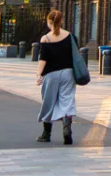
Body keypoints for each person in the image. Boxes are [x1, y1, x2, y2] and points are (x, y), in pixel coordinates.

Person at [34, 8, 77, 145]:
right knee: (67, 101)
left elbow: (43, 59)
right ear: (61, 21)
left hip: (51, 74)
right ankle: (67, 127)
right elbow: (75, 57)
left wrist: (38, 74)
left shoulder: (45, 38)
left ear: (49, 22)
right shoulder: (70, 36)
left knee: (49, 101)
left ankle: (46, 133)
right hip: (68, 73)